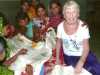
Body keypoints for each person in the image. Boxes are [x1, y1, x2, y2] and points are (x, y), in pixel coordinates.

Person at [56, 0, 100, 75]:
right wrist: (57, 59)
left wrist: (81, 61)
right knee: (78, 72)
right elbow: (58, 42)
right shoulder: (60, 27)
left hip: (84, 54)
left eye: (74, 12)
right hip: (70, 56)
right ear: (64, 14)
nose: (71, 15)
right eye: (68, 12)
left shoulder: (83, 27)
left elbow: (86, 48)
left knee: (97, 70)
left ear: (78, 14)